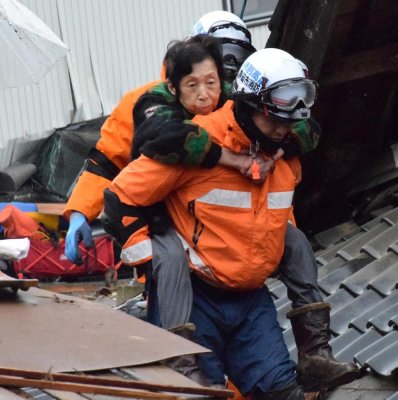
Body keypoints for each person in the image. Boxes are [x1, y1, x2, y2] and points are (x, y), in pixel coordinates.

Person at [104, 43, 318, 399]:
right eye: (192, 84)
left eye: (211, 82)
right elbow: (118, 197)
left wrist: (283, 148)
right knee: (200, 393)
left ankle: (317, 351)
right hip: (194, 298)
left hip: (250, 300)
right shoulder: (188, 139)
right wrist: (152, 261)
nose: (283, 129)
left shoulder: (285, 147)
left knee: (283, 392)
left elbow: (277, 214)